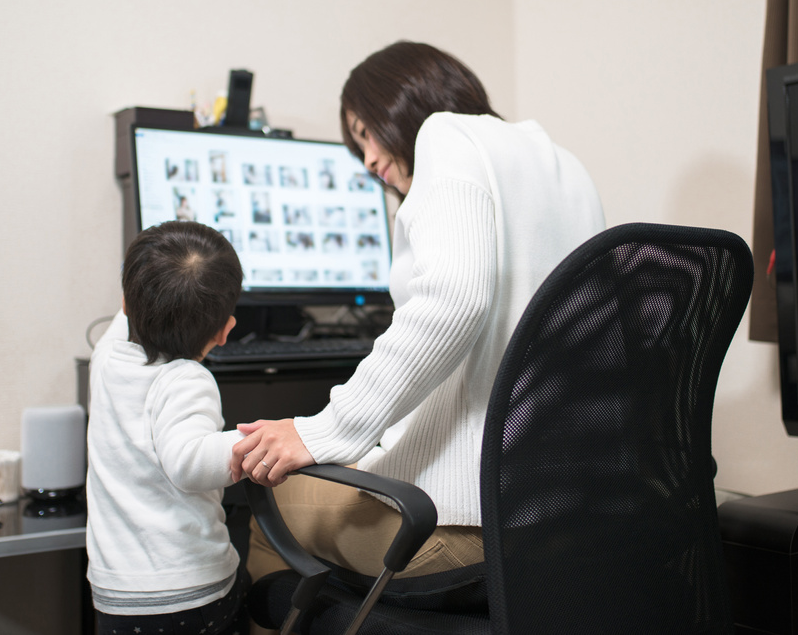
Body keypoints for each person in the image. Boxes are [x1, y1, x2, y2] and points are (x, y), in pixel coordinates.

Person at [229, 41, 606, 601]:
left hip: (466, 526)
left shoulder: (445, 136)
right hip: (572, 519)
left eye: (365, 132)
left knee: (260, 509)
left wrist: (320, 431)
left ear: (402, 101)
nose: (368, 160)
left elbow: (453, 300)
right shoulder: (561, 163)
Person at [86, 220, 249, 635]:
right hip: (189, 590)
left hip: (116, 593)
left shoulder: (104, 360)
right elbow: (189, 461)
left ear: (124, 303)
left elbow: (128, 311)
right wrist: (251, 443)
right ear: (226, 331)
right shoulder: (187, 380)